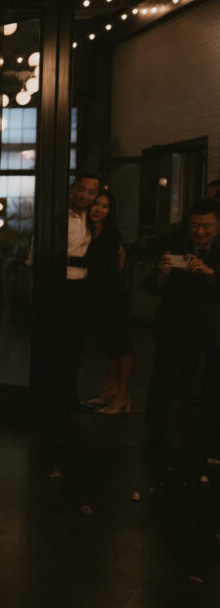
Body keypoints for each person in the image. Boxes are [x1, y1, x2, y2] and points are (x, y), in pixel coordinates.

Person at [145, 198, 220, 478]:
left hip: (213, 327)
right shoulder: (177, 245)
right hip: (177, 325)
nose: (199, 232)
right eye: (195, 226)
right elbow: (152, 287)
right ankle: (157, 439)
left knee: (213, 385)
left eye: (206, 226)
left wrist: (211, 273)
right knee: (167, 380)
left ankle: (209, 443)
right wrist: (162, 276)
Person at [80, 190, 135, 414]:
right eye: (95, 204)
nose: (98, 209)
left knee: (120, 345)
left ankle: (123, 396)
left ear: (110, 211)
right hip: (96, 296)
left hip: (112, 296)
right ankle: (110, 389)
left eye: (104, 206)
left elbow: (109, 269)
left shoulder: (111, 234)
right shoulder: (88, 231)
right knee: (106, 345)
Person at [60, 172, 101, 410]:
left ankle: (70, 397)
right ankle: (57, 397)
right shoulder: (60, 216)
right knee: (60, 344)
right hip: (63, 284)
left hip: (83, 287)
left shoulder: (92, 218)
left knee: (76, 344)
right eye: (82, 189)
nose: (85, 195)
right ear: (73, 188)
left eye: (91, 192)